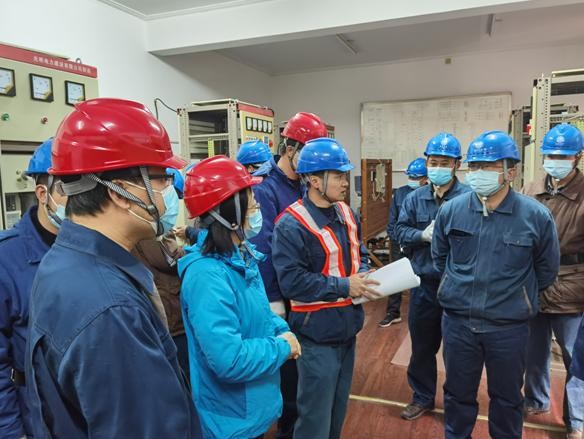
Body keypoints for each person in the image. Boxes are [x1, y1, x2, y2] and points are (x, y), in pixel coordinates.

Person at [24, 98, 202, 438]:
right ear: (120, 192)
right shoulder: (110, 309)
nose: (169, 193)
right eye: (162, 179)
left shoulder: (67, 263)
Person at [432, 130, 560, 439]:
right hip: (459, 324)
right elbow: (440, 258)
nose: (478, 173)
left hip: (508, 328)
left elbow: (547, 270)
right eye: (474, 166)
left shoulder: (535, 216)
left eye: (487, 167)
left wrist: (517, 296)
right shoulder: (452, 210)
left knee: (507, 398)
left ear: (510, 172)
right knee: (457, 394)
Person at [179, 155, 300, 439]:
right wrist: (281, 347)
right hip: (231, 421)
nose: (256, 204)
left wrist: (282, 330)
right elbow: (229, 360)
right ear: (229, 210)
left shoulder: (241, 257)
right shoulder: (207, 276)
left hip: (253, 409)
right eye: (250, 198)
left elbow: (260, 312)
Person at [272, 137, 380, 439]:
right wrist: (345, 285)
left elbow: (356, 256)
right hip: (316, 335)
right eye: (339, 176)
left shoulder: (346, 214)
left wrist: (364, 273)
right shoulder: (290, 225)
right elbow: (292, 282)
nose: (346, 183)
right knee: (315, 418)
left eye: (345, 175)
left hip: (348, 328)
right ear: (315, 180)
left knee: (337, 411)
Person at [250, 111, 328, 438]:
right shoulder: (266, 188)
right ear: (289, 147)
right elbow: (263, 249)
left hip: (306, 289)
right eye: (307, 153)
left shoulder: (305, 184)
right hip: (281, 293)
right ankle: (288, 426)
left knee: (305, 363)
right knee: (289, 368)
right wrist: (273, 299)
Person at [394, 133, 471, 420]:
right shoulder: (415, 199)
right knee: (422, 347)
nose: (438, 167)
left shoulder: (468, 199)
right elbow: (399, 231)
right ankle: (422, 397)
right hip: (424, 286)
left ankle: (456, 403)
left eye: (445, 162)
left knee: (458, 352)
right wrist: (421, 235)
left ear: (457, 165)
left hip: (458, 288)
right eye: (433, 162)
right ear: (426, 162)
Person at [0, 138, 67, 439]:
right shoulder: (7, 258)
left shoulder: (92, 249)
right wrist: (13, 433)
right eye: (68, 188)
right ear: (43, 193)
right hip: (35, 410)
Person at [522, 123, 584, 439]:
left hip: (573, 284)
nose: (555, 161)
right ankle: (535, 400)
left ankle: (577, 419)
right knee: (534, 350)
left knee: (576, 355)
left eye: (563, 156)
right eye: (550, 155)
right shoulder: (532, 188)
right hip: (534, 282)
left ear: (578, 157)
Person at [132, 167, 190, 382]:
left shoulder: (160, 232)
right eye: (163, 184)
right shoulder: (146, 234)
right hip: (172, 328)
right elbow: (170, 262)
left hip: (175, 324)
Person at [378, 157, 428, 328]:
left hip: (420, 244)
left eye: (415, 177)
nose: (412, 180)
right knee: (395, 278)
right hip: (399, 242)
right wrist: (398, 240)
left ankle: (420, 315)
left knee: (421, 279)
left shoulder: (429, 195)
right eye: (410, 176)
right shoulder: (400, 193)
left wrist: (416, 238)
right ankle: (393, 313)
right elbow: (392, 221)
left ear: (425, 179)